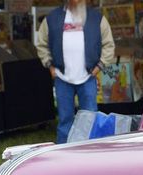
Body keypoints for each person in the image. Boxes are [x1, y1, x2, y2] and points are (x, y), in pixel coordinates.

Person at [36, 0, 115, 144]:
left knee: (90, 118)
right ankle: (64, 151)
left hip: (87, 77)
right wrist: (50, 66)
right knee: (65, 119)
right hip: (62, 77)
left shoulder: (97, 18)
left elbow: (108, 44)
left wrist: (99, 67)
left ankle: (92, 148)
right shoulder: (52, 18)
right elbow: (41, 43)